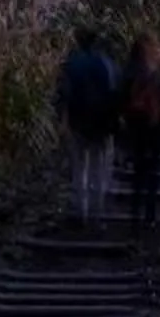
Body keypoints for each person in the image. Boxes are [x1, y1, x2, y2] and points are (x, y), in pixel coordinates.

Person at [55, 28, 118, 224]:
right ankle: (98, 212)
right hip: (102, 122)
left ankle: (81, 211)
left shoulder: (72, 64)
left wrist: (63, 121)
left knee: (79, 167)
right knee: (100, 167)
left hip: (78, 121)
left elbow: (64, 94)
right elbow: (116, 93)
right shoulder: (107, 64)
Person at [116, 34, 160, 231]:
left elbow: (120, 98)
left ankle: (134, 214)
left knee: (138, 169)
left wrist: (122, 120)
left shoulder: (129, 70)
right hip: (155, 126)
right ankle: (150, 216)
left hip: (135, 125)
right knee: (153, 170)